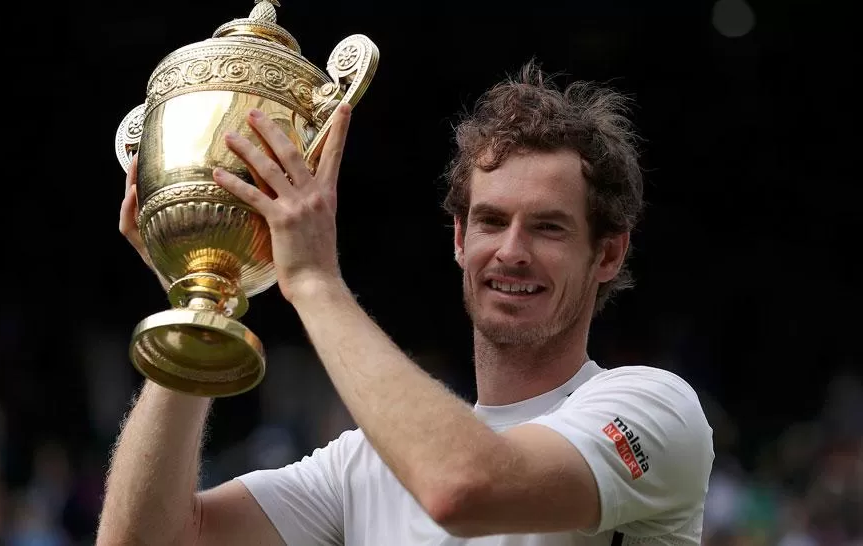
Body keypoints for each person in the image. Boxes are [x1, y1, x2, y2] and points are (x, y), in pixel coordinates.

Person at [98, 62, 714, 546]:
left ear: (607, 255)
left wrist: (314, 279)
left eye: (549, 228)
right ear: (459, 239)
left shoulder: (654, 408)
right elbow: (148, 540)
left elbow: (464, 487)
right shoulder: (363, 462)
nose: (511, 252)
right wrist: (202, 295)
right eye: (490, 221)